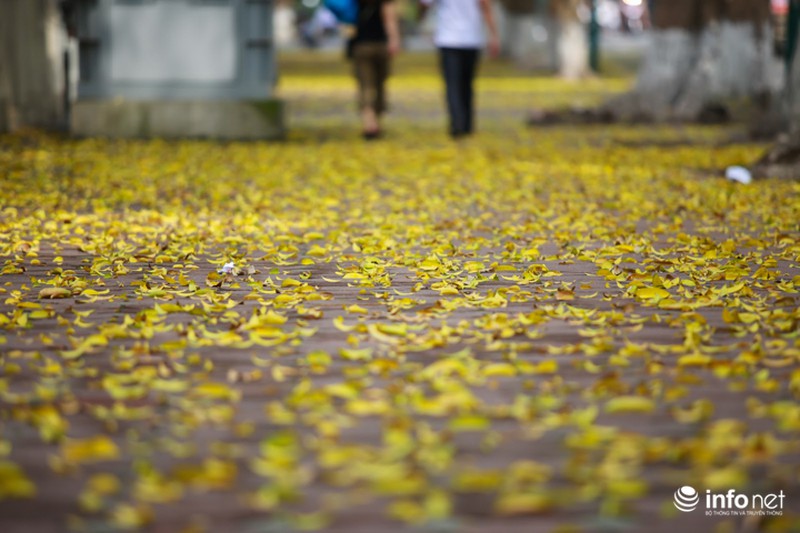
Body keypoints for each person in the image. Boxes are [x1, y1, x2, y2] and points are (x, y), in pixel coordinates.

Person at [419, 0, 500, 139]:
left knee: (453, 84)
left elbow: (425, 5)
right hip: (471, 40)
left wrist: (421, 19)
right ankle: (467, 124)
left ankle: (458, 124)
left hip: (449, 39)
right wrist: (493, 35)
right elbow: (486, 7)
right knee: (467, 84)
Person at [350, 0, 401, 140]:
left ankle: (369, 122)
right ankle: (376, 122)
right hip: (381, 44)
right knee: (379, 84)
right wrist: (394, 39)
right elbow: (389, 18)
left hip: (360, 44)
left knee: (365, 85)